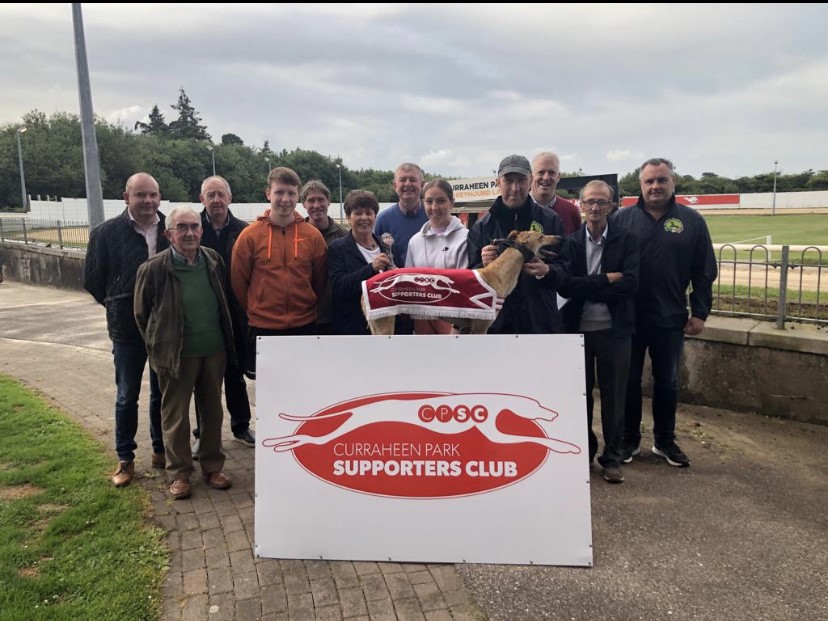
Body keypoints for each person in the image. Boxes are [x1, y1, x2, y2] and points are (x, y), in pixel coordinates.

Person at [613, 157, 718, 468]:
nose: (655, 186)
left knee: (668, 383)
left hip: (670, 318)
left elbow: (704, 271)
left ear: (673, 182)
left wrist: (700, 312)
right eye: (649, 181)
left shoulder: (692, 221)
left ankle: (664, 441)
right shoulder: (621, 219)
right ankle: (629, 439)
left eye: (662, 180)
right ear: (640, 185)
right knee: (628, 382)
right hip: (628, 318)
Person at [134, 206, 235, 499]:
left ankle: (212, 467)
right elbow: (142, 315)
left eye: (194, 226)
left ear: (201, 231)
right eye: (182, 227)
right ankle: (179, 474)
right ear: (169, 234)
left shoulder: (213, 260)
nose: (189, 233)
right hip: (176, 355)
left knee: (212, 412)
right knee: (176, 415)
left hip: (213, 351)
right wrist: (159, 346)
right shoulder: (153, 268)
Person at [83, 172, 167, 487]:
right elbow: (93, 280)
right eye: (140, 194)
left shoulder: (170, 230)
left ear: (159, 198)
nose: (147, 200)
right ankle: (125, 458)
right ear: (126, 197)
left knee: (162, 394)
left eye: (153, 195)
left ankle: (160, 449)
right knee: (126, 395)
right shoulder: (106, 233)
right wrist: (119, 305)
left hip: (163, 328)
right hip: (127, 331)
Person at [558, 181, 639, 484]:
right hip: (576, 332)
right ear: (580, 205)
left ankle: (613, 458)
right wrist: (606, 279)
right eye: (590, 201)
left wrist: (587, 286)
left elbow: (630, 284)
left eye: (601, 202)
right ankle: (586, 452)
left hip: (614, 331)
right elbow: (566, 286)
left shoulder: (627, 240)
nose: (595, 207)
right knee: (580, 398)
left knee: (614, 397)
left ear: (611, 206)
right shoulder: (570, 243)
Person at [231, 167, 327, 378]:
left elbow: (320, 281)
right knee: (268, 389)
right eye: (279, 192)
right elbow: (239, 282)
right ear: (268, 193)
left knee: (303, 384)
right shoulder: (249, 236)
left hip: (304, 325)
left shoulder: (313, 236)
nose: (285, 199)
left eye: (291, 193)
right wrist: (258, 308)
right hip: (263, 328)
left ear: (298, 195)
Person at [190, 176, 254, 460]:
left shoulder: (244, 231)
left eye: (221, 194)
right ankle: (202, 434)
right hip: (203, 315)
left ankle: (241, 426)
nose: (216, 200)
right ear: (202, 199)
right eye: (210, 195)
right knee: (204, 379)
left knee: (235, 375)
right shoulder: (192, 228)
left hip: (237, 315)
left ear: (230, 198)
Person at [467, 154, 568, 334]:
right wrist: (483, 266)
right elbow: (470, 280)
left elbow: (566, 271)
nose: (515, 188)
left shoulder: (550, 220)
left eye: (521, 180)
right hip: (497, 326)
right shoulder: (482, 227)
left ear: (530, 182)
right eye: (508, 180)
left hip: (539, 323)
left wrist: (547, 271)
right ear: (498, 182)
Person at [405, 179, 469, 334]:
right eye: (429, 201)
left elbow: (465, 285)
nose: (434, 207)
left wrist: (457, 325)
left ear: (451, 203)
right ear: (423, 203)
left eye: (441, 201)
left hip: (454, 320)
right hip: (422, 319)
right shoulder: (415, 241)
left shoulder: (466, 237)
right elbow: (409, 284)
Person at [373, 162, 429, 334]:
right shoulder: (382, 220)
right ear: (394, 185)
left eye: (413, 179)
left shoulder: (433, 215)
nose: (407, 184)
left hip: (428, 295)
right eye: (402, 180)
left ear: (422, 184)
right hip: (396, 297)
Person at [328, 190, 393, 335]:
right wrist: (371, 268)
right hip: (353, 330)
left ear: (375, 216)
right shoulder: (337, 248)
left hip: (386, 329)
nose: (364, 217)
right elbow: (338, 287)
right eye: (358, 213)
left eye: (369, 213)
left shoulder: (387, 247)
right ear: (348, 217)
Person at [302, 179, 348, 333]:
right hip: (305, 315)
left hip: (337, 314)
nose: (316, 205)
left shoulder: (344, 235)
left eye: (321, 199)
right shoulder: (295, 235)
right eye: (311, 200)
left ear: (329, 201)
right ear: (303, 204)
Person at [531, 151, 582, 235]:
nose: (546, 177)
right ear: (531, 176)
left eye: (552, 173)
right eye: (541, 172)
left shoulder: (572, 212)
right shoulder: (518, 209)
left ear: (558, 177)